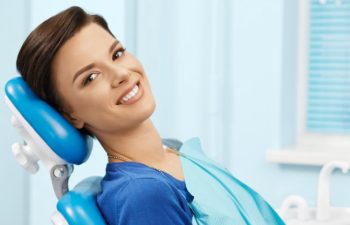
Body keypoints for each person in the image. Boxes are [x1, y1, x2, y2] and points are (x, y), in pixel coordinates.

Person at [16, 6, 285, 225]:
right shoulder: (143, 195)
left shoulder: (175, 151)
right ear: (71, 114)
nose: (121, 73)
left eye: (117, 54)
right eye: (91, 77)